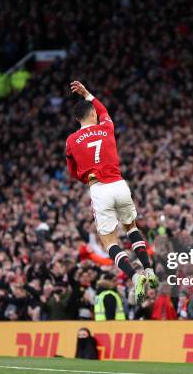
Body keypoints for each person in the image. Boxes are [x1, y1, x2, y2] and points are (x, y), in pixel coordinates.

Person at [66, 81, 157, 305]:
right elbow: (104, 109)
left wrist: (87, 178)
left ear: (78, 119)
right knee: (132, 227)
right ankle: (149, 269)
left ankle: (135, 275)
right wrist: (87, 93)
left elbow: (73, 172)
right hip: (118, 183)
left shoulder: (71, 141)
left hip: (98, 188)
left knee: (109, 242)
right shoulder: (106, 126)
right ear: (93, 114)